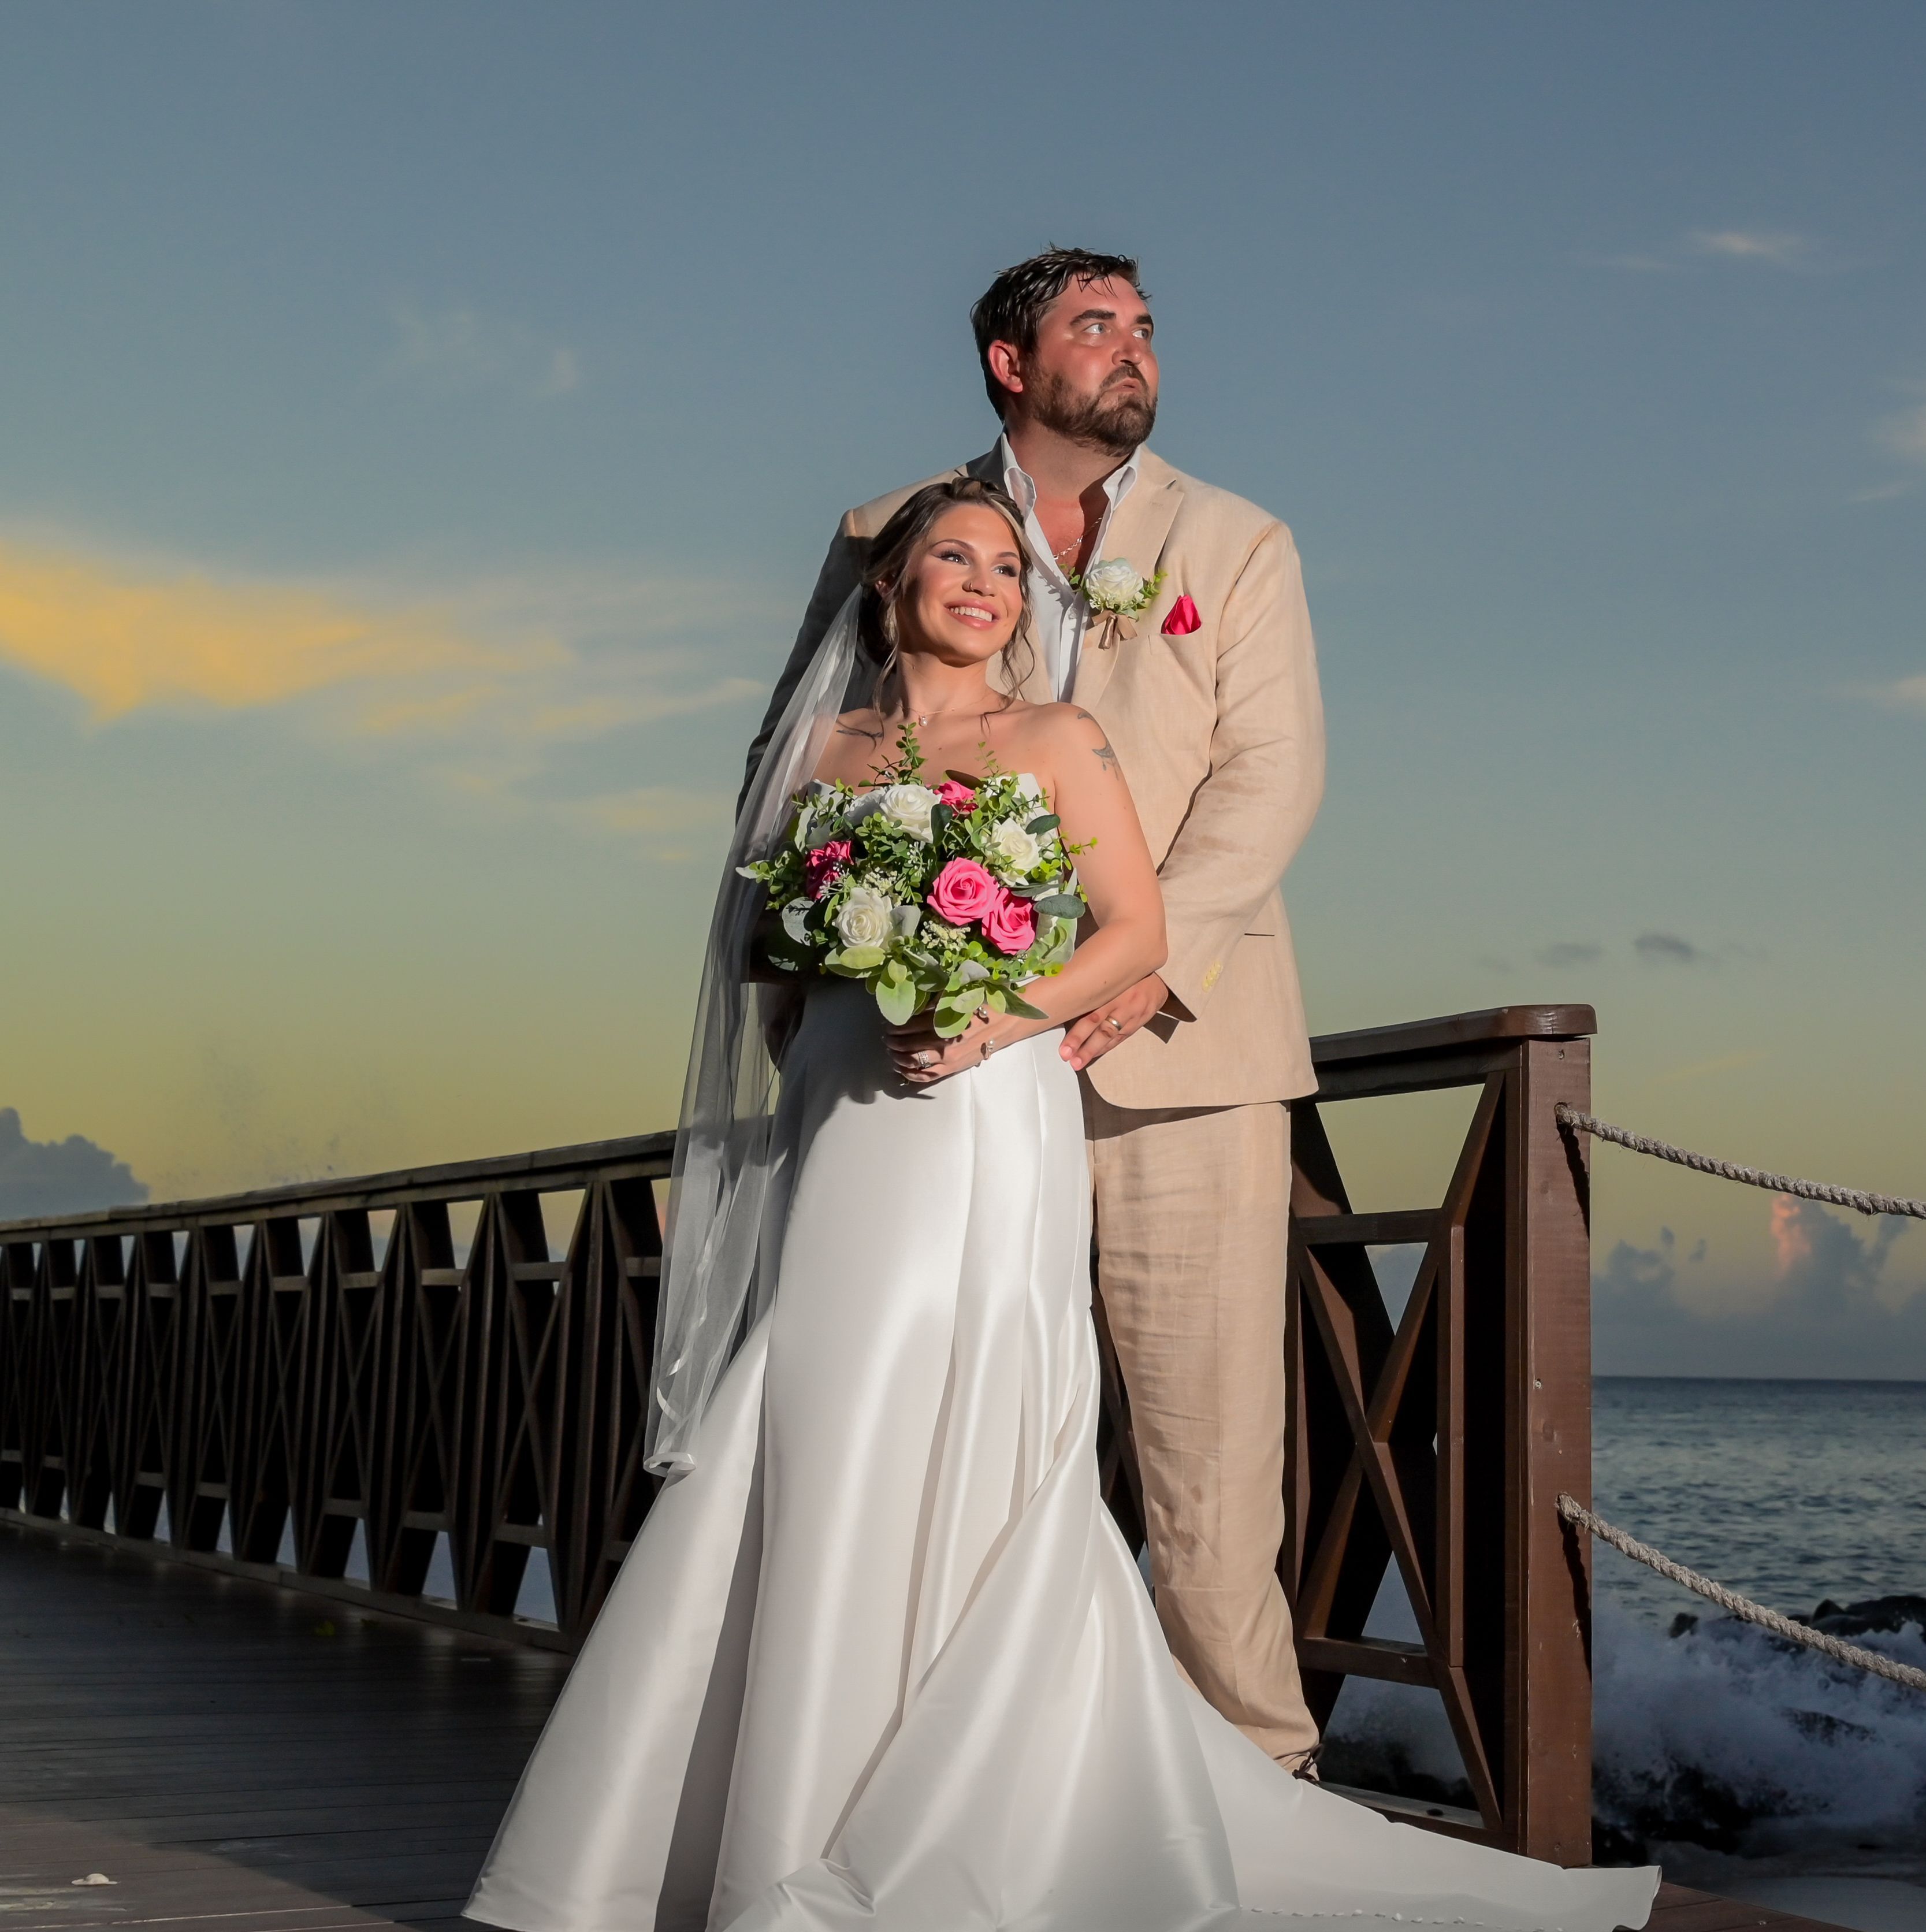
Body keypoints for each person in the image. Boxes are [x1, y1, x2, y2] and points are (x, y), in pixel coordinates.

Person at [463, 478, 1655, 1932]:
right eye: (948, 560)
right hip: (848, 1098)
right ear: (888, 588)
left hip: (987, 1095)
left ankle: (964, 1808)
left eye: (1002, 567)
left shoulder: (1055, 737)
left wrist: (989, 1018)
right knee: (816, 1402)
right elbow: (768, 945)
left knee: (967, 1393)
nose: (981, 582)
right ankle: (753, 1810)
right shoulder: (825, 749)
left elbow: (1137, 930)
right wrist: (838, 995)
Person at [749, 247, 1323, 1772]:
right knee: (903, 1430)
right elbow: (801, 759)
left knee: (1206, 1472)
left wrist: (1137, 965)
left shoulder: (1240, 541)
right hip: (917, 1073)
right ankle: (918, 1773)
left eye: (1146, 327)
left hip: (1180, 1049)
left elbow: (1273, 775)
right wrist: (837, 978)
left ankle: (1253, 1776)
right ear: (1011, 362)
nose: (1134, 349)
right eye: (1096, 325)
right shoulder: (885, 534)